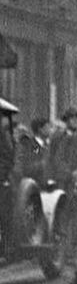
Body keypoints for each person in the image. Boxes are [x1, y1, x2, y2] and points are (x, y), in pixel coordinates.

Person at [0, 98, 18, 258]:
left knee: (5, 208)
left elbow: (7, 158)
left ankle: (7, 243)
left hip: (3, 178)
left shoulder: (4, 134)